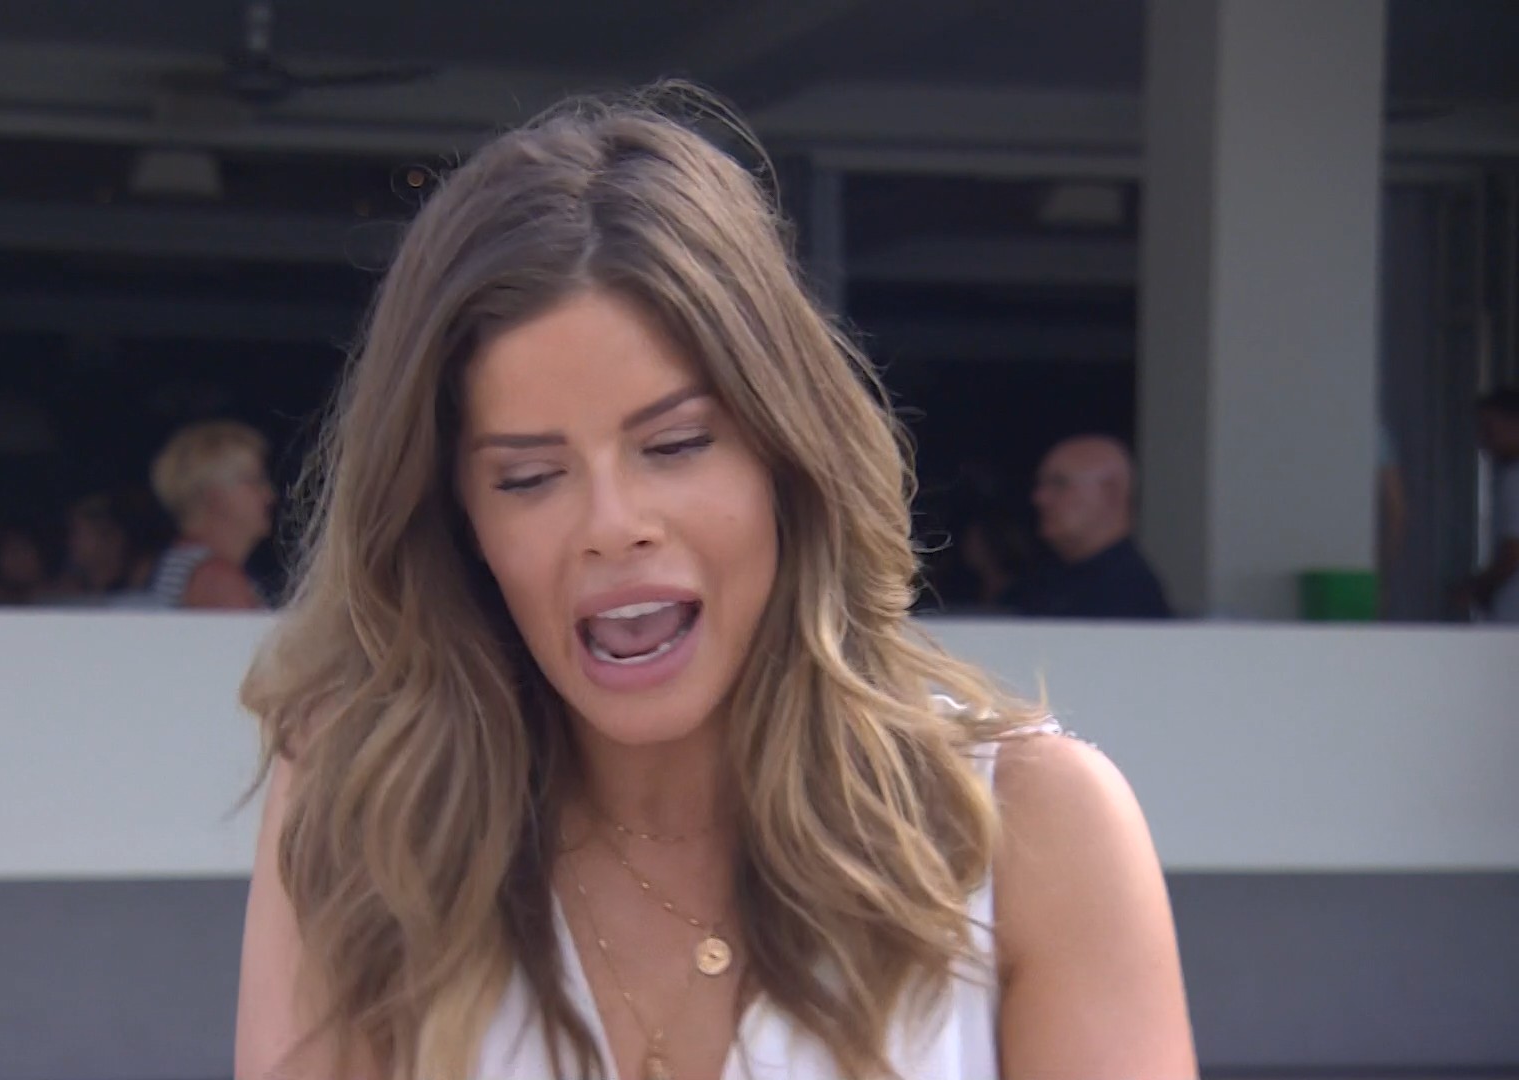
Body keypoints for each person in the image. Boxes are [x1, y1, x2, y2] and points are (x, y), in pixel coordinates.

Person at [234, 86, 1194, 1080]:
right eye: (529, 477)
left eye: (677, 444)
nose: (612, 525)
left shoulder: (1031, 833)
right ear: (459, 522)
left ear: (786, 453)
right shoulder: (369, 812)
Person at [1009, 435, 1173, 619]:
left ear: (1110, 491)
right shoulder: (1042, 582)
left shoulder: (1127, 594)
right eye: (1041, 485)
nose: (1040, 499)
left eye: (1059, 483)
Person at [147, 420, 276, 610]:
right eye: (254, 481)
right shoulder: (216, 579)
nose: (269, 495)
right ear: (214, 495)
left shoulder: (185, 563)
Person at [1459, 387, 1519, 623]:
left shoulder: (1514, 479)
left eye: (1489, 429)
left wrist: (1477, 587)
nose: (1483, 440)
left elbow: (1513, 552)